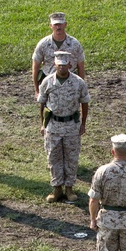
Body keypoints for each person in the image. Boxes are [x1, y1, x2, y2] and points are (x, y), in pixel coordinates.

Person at [39, 50, 89, 203]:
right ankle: (57, 188)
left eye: (64, 65)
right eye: (58, 65)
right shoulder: (47, 82)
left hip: (71, 125)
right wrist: (42, 124)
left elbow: (84, 103)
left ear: (70, 65)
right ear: (54, 64)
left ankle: (69, 188)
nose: (61, 68)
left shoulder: (78, 82)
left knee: (71, 157)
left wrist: (83, 123)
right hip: (53, 126)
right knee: (53, 157)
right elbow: (42, 103)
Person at [32, 13, 86, 93]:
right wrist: (37, 90)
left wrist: (81, 89)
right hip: (49, 84)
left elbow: (81, 67)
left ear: (65, 25)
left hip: (70, 84)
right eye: (56, 24)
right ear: (51, 26)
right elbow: (35, 67)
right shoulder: (43, 44)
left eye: (60, 24)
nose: (58, 27)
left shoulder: (75, 44)